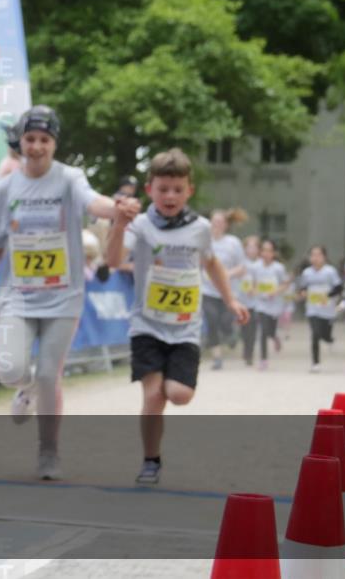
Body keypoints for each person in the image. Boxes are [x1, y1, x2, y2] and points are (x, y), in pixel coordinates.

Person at [0, 105, 140, 480]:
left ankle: (48, 451)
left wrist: (118, 209)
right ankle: (24, 389)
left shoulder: (69, 178)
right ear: (20, 142)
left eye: (44, 140)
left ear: (54, 143)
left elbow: (94, 202)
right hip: (18, 295)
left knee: (50, 374)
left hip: (64, 297)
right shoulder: (7, 187)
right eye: (30, 139)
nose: (36, 147)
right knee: (10, 369)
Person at [104, 148, 249, 485]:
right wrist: (118, 224)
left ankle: (157, 439)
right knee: (153, 396)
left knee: (179, 394)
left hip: (184, 328)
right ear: (149, 189)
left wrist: (230, 300)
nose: (170, 196)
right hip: (147, 325)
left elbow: (212, 264)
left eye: (177, 189)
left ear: (189, 191)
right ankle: (150, 459)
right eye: (163, 188)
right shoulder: (138, 225)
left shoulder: (199, 228)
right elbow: (112, 260)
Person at [202, 209, 248, 370]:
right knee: (212, 321)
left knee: (225, 323)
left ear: (226, 225)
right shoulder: (204, 241)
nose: (216, 226)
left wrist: (226, 274)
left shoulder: (233, 242)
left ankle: (231, 333)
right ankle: (217, 358)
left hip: (228, 292)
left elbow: (242, 267)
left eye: (220, 223)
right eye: (213, 222)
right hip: (207, 291)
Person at [297, 245, 342, 373]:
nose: (315, 258)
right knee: (315, 334)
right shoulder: (307, 273)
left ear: (324, 257)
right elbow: (302, 287)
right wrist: (303, 292)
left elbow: (338, 287)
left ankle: (330, 340)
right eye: (313, 255)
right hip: (312, 309)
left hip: (328, 310)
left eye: (318, 255)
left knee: (325, 335)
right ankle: (315, 363)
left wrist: (327, 296)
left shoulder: (330, 271)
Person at [252, 239, 291, 370]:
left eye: (269, 251)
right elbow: (252, 284)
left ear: (273, 253)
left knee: (270, 331)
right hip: (260, 304)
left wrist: (275, 291)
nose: (266, 253)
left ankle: (275, 338)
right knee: (263, 330)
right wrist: (254, 290)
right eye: (264, 250)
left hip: (274, 305)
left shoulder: (278, 268)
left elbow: (285, 284)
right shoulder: (255, 267)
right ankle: (263, 359)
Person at [236, 235, 260, 366]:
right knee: (244, 329)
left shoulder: (260, 264)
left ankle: (249, 354)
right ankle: (246, 350)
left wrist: (255, 289)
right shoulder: (241, 263)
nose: (251, 250)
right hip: (242, 301)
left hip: (255, 303)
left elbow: (262, 281)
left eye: (254, 247)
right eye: (248, 247)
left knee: (253, 329)